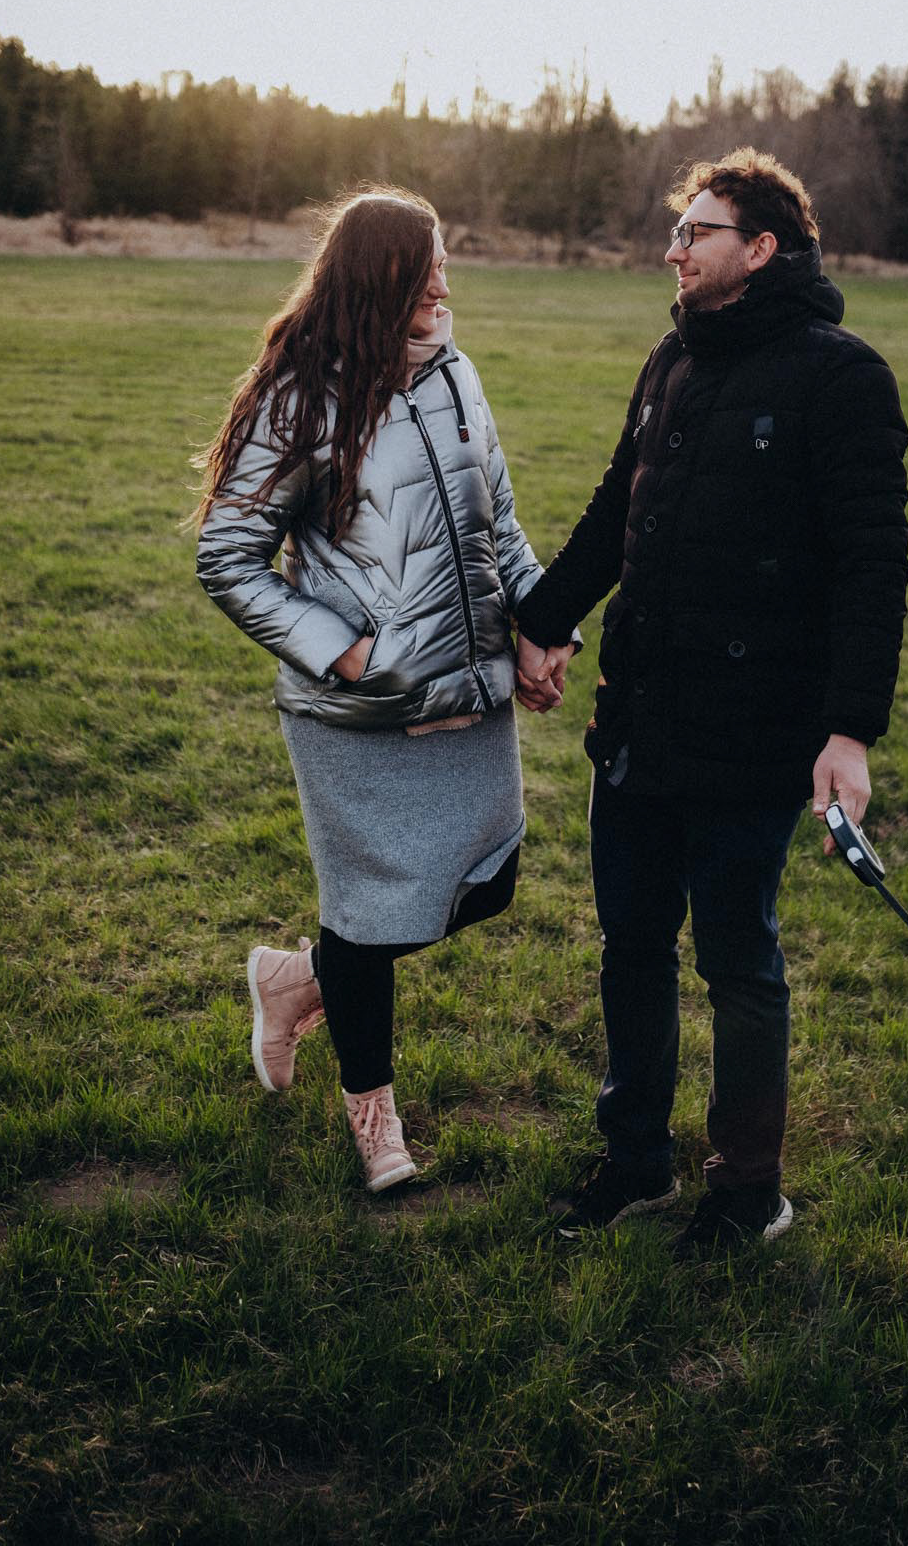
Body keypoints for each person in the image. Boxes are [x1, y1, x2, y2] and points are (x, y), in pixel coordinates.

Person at [515, 148, 908, 1253]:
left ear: (762, 247)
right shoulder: (672, 358)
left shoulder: (842, 376)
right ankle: (635, 1159)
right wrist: (543, 618)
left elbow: (873, 565)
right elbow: (616, 508)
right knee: (631, 944)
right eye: (676, 230)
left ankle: (746, 1189)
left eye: (696, 231)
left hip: (754, 730)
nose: (674, 249)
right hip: (638, 716)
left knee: (737, 961)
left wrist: (850, 731)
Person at [194, 186, 567, 1193]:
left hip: (469, 694)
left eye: (443, 260)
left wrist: (542, 626)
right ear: (375, 279)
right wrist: (345, 653)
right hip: (358, 713)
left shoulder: (455, 373)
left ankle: (297, 979)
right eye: (424, 266)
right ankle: (376, 1123)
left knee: (487, 881)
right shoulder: (296, 398)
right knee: (367, 914)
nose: (443, 282)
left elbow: (500, 522)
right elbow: (227, 556)